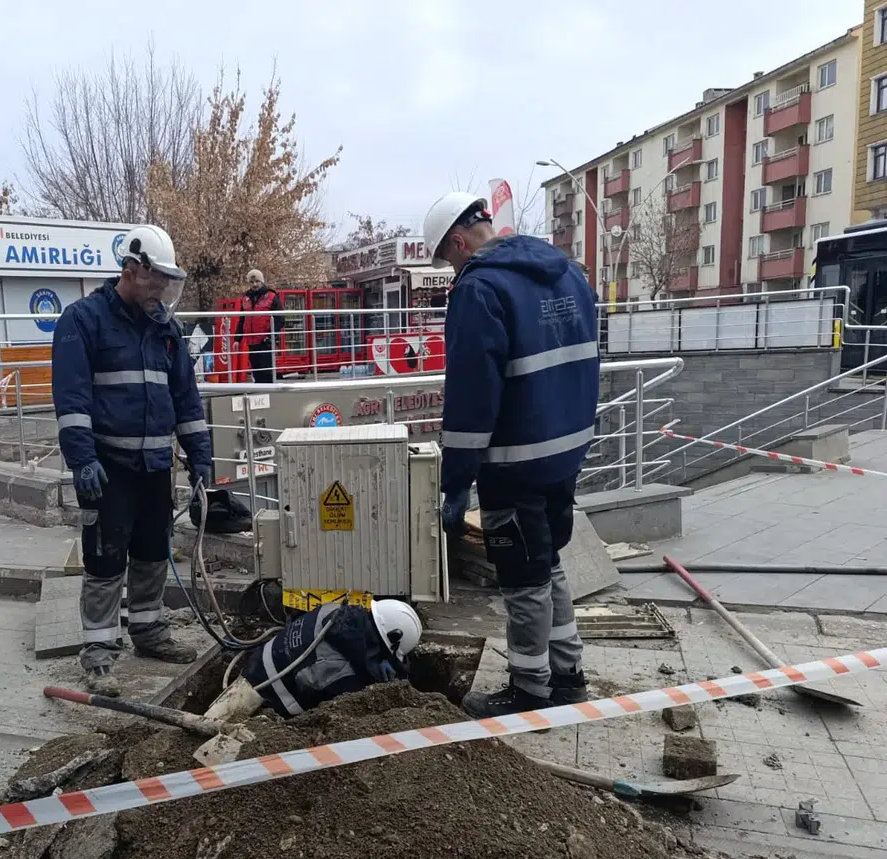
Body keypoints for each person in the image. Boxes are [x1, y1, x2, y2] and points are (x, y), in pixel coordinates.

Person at [423, 191, 601, 719]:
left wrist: (456, 480)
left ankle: (528, 692)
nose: (452, 269)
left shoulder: (480, 289)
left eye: (448, 258)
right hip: (565, 453)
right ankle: (567, 675)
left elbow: (471, 397)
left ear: (458, 241)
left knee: (523, 580)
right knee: (547, 565)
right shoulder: (566, 273)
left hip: (515, 460)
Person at [52, 224, 213, 697]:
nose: (162, 289)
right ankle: (99, 652)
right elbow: (72, 399)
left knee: (150, 551)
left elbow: (186, 400)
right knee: (105, 559)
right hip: (108, 469)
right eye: (155, 279)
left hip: (154, 468)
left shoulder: (166, 330)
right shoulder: (83, 320)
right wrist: (82, 460)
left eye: (167, 280)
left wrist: (201, 459)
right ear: (130, 269)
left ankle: (148, 632)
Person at [240, 599, 422, 718]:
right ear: (388, 641)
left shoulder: (334, 609)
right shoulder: (344, 676)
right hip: (265, 703)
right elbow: (335, 717)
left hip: (253, 665)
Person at [238, 268, 283, 383]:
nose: (254, 284)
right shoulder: (245, 298)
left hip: (265, 342)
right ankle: (261, 396)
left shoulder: (272, 297)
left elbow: (280, 319)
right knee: (256, 373)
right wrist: (237, 339)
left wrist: (271, 337)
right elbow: (242, 320)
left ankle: (269, 396)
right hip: (252, 343)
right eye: (251, 282)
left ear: (262, 281)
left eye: (257, 281)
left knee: (267, 374)